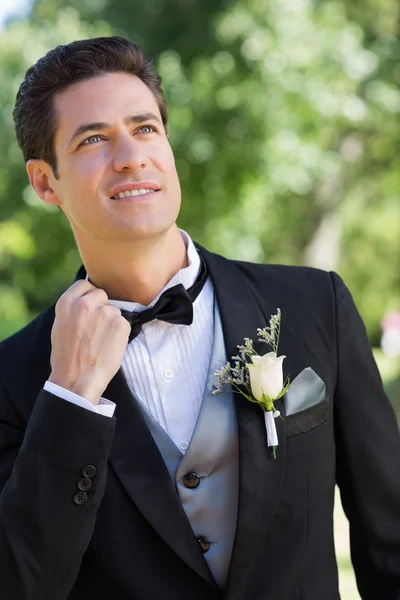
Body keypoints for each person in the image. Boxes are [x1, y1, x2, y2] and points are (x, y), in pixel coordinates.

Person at [0, 36, 399, 600]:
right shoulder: (12, 375)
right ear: (45, 182)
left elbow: (391, 543)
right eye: (94, 138)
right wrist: (70, 397)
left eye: (145, 128)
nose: (132, 155)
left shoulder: (316, 306)